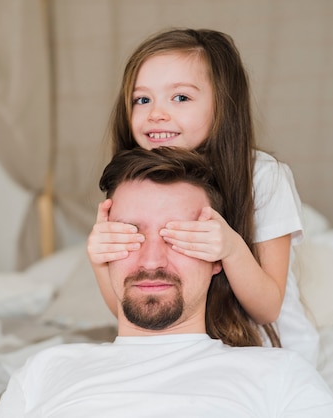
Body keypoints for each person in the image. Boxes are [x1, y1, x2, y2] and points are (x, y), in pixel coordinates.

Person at [0, 148, 333, 417]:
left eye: (179, 236)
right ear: (104, 248)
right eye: (131, 233)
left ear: (218, 256)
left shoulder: (279, 374)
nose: (152, 260)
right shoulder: (44, 369)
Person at [87, 28, 319, 363]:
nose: (156, 113)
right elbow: (128, 309)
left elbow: (267, 308)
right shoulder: (134, 180)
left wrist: (230, 248)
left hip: (266, 352)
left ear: (223, 104)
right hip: (183, 352)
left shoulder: (263, 176)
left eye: (180, 98)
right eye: (142, 99)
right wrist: (99, 260)